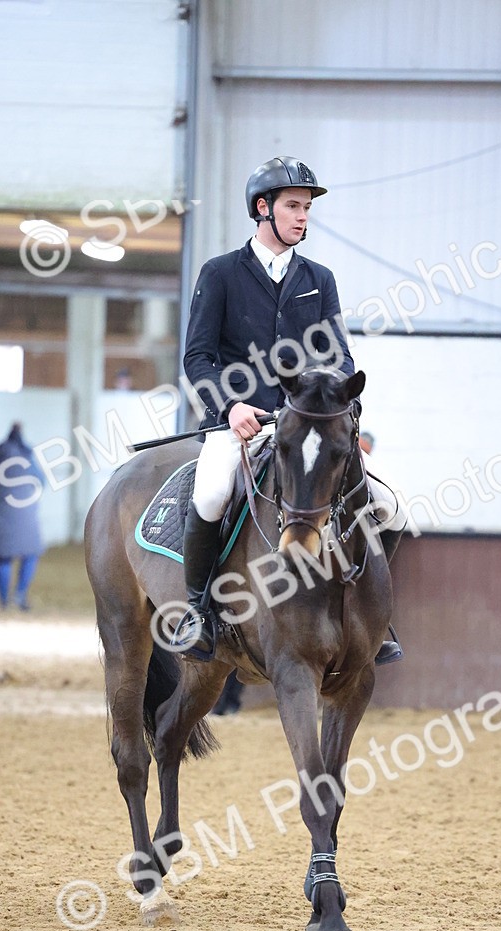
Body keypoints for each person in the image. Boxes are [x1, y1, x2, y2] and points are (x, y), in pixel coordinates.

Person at [171, 155, 404, 663]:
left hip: (308, 427)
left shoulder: (320, 277)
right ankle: (199, 614)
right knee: (212, 493)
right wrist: (230, 407)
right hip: (241, 426)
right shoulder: (221, 274)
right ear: (263, 208)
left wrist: (339, 394)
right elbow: (197, 357)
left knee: (389, 506)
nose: (303, 217)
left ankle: (377, 619)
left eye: (306, 208)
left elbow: (339, 353)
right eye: (293, 206)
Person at [0, 423, 45, 610]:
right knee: (31, 555)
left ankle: (4, 601)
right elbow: (41, 481)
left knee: (4, 559)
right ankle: (20, 595)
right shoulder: (27, 457)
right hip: (25, 517)